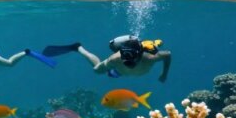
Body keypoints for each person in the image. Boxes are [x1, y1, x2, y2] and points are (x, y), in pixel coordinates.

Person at [42, 35, 171, 81]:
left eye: (131, 60)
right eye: (126, 59)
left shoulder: (150, 57)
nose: (128, 62)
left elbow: (168, 54)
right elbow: (98, 68)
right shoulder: (116, 58)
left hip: (127, 67)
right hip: (119, 67)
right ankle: (78, 48)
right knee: (97, 70)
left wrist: (164, 73)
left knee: (155, 44)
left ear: (139, 55)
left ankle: (155, 42)